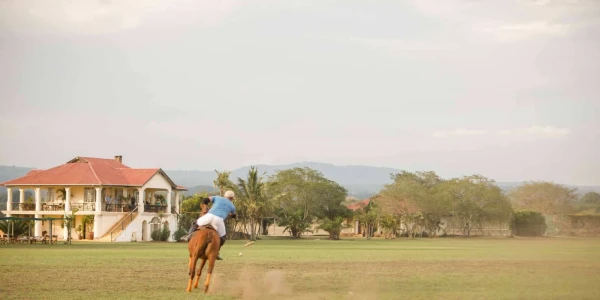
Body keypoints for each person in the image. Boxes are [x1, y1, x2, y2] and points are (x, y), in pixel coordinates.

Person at [180, 190, 237, 260]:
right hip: (218, 221)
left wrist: (206, 207)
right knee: (223, 237)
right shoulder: (232, 206)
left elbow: (205, 200)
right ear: (231, 198)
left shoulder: (217, 198)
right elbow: (233, 215)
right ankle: (216, 251)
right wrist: (232, 215)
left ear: (225, 196)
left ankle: (188, 236)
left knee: (195, 223)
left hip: (209, 216)